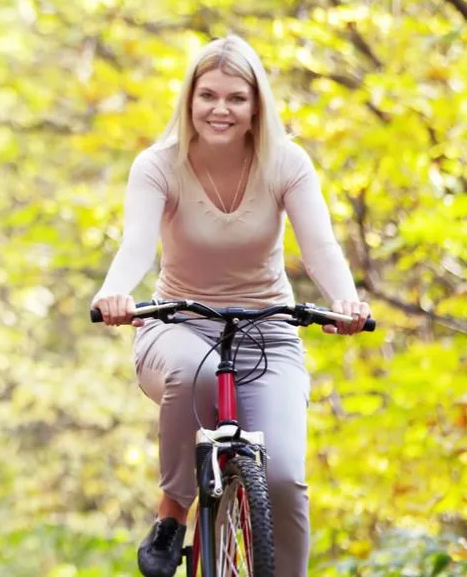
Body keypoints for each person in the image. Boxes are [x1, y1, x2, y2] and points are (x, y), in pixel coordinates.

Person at [89, 34, 371, 577]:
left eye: (236, 98)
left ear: (256, 105)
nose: (221, 109)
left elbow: (320, 247)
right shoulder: (158, 165)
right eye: (208, 96)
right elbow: (137, 244)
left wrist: (345, 301)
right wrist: (114, 293)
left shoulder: (286, 162)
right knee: (192, 376)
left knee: (284, 477)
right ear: (189, 101)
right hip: (178, 325)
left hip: (268, 332)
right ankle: (174, 512)